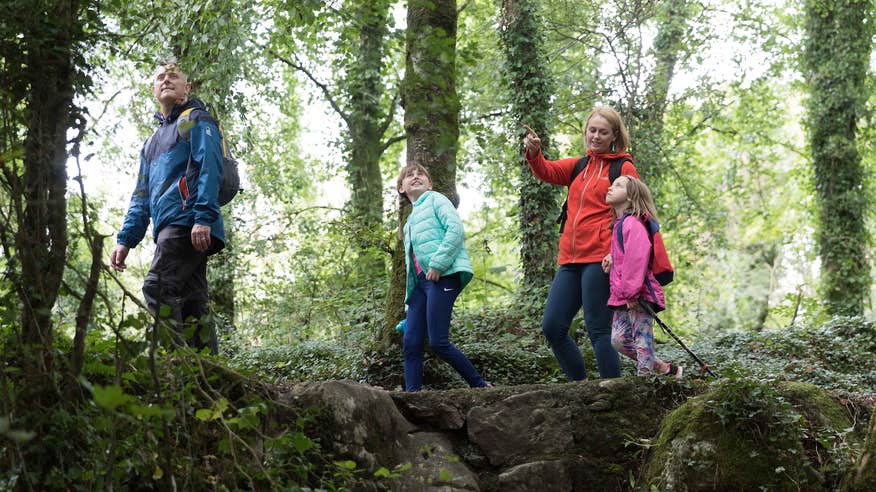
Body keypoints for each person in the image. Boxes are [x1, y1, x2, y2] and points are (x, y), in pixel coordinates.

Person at [109, 61, 225, 354]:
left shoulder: (193, 119)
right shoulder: (150, 144)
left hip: (187, 222)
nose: (166, 80)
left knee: (157, 287)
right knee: (193, 300)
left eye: (173, 76)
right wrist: (126, 240)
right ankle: (211, 374)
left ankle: (177, 364)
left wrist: (203, 218)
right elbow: (141, 196)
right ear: (153, 89)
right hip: (167, 226)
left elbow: (210, 167)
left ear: (186, 88)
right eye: (160, 77)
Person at [522, 107, 639, 380]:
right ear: (585, 132)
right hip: (569, 259)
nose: (595, 136)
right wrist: (535, 153)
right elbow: (547, 171)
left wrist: (617, 253)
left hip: (600, 258)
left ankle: (612, 389)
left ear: (614, 136)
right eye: (592, 130)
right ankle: (581, 385)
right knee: (552, 327)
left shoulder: (623, 167)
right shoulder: (578, 166)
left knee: (598, 328)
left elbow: (635, 212)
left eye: (603, 132)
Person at [397, 163, 491, 392]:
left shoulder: (436, 199)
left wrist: (438, 264)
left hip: (442, 277)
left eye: (421, 174)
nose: (416, 177)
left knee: (438, 342)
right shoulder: (408, 223)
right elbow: (412, 264)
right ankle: (413, 397)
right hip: (420, 286)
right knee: (411, 343)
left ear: (429, 184)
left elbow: (455, 230)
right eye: (410, 175)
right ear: (401, 188)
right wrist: (413, 307)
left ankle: (479, 385)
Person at [604, 175, 683, 378]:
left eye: (618, 186)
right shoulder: (620, 224)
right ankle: (666, 369)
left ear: (630, 197)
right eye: (612, 185)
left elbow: (637, 257)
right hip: (623, 295)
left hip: (638, 294)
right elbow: (626, 256)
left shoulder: (633, 223)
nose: (611, 188)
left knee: (642, 339)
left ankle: (644, 380)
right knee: (618, 341)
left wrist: (632, 293)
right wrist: (612, 258)